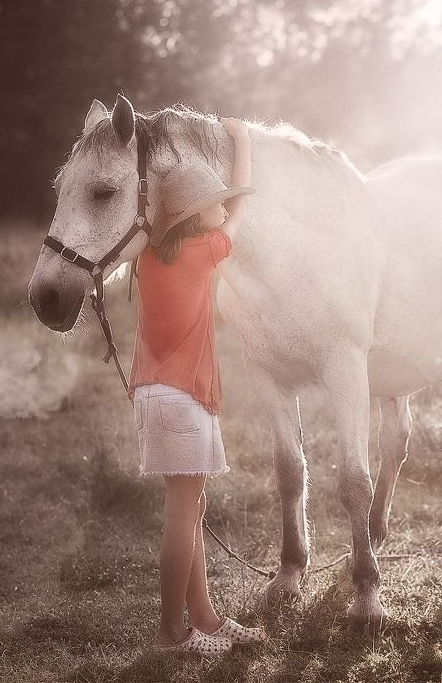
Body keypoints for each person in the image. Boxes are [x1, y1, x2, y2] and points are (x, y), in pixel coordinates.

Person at [127, 117, 266, 655]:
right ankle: (170, 634)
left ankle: (203, 619)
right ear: (193, 217)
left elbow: (227, 208)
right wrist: (243, 141)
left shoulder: (149, 256)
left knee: (191, 508)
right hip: (182, 397)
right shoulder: (205, 250)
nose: (223, 207)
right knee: (182, 514)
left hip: (155, 395)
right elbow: (244, 208)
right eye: (214, 202)